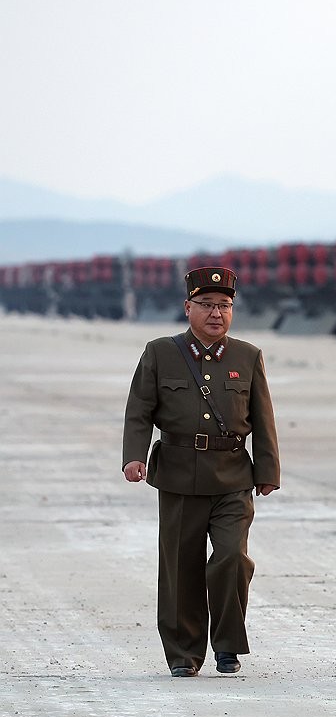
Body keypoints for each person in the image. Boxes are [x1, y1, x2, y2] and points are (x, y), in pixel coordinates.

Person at [122, 267, 280, 677]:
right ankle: (183, 655)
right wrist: (133, 456)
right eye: (207, 305)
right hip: (177, 475)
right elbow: (139, 409)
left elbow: (263, 420)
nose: (216, 314)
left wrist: (268, 469)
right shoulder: (160, 352)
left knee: (231, 558)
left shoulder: (248, 356)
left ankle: (228, 645)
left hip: (232, 477)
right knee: (180, 566)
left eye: (224, 306)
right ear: (187, 308)